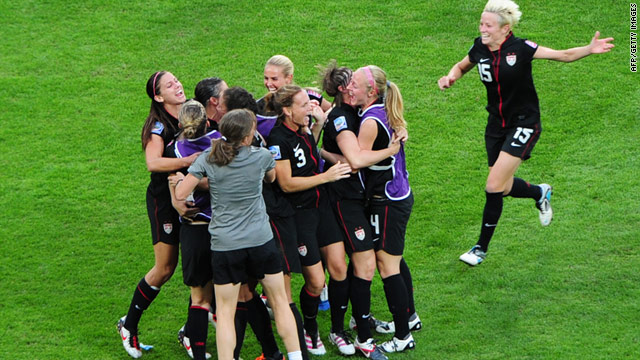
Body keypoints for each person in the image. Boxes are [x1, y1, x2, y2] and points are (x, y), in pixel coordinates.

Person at [437, 0, 614, 266]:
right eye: (481, 23)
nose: (482, 28)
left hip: (524, 124)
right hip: (496, 126)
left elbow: (563, 55)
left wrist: (589, 49)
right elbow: (462, 66)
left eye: (488, 25)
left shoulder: (521, 48)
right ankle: (539, 192)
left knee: (493, 186)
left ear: (505, 29)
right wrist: (450, 77)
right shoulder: (479, 47)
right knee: (504, 187)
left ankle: (480, 249)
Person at [174, 109, 303, 360]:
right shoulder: (263, 156)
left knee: (225, 312)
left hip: (226, 246)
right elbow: (271, 177)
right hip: (261, 241)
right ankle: (296, 357)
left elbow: (181, 194)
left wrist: (179, 180)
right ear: (246, 137)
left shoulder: (207, 159)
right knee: (279, 301)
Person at [320, 61, 407, 358]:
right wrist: (391, 150)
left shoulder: (359, 109)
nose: (352, 87)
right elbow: (355, 160)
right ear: (342, 90)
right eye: (349, 83)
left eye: (356, 83)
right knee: (361, 266)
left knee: (363, 267)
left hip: (359, 198)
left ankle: (360, 322)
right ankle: (360, 338)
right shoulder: (343, 118)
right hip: (345, 199)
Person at [266, 85, 352, 356]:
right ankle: (311, 328)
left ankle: (337, 330)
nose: (310, 108)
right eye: (304, 105)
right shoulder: (278, 140)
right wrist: (326, 177)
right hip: (299, 216)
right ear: (287, 110)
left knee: (339, 268)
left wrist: (317, 125)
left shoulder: (303, 129)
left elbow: (308, 155)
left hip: (321, 208)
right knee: (316, 281)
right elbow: (287, 183)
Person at [117, 71, 198, 359]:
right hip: (164, 201)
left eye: (177, 80)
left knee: (201, 264)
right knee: (165, 268)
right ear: (158, 97)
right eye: (169, 85)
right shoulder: (157, 126)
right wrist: (187, 160)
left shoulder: (192, 109)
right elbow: (153, 162)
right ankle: (129, 325)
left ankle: (192, 331)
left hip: (193, 195)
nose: (177, 85)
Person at [216, 86, 290, 360]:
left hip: (241, 231)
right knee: (254, 294)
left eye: (222, 106)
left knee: (239, 299)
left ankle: (259, 353)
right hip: (259, 229)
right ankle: (276, 353)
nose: (218, 109)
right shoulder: (257, 140)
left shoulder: (228, 151)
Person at [347, 65, 416, 354]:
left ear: (371, 91)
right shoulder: (382, 111)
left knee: (388, 266)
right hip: (396, 194)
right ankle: (410, 318)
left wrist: (324, 153)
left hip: (386, 201)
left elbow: (357, 160)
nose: (348, 87)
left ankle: (402, 336)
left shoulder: (370, 122)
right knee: (394, 260)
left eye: (353, 83)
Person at [168, 100, 221, 360]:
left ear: (180, 125)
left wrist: (178, 197)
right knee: (227, 297)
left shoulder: (175, 150)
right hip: (224, 229)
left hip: (195, 230)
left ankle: (199, 355)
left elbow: (173, 184)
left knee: (199, 300)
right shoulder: (222, 140)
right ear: (208, 122)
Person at [257, 55, 330, 142]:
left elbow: (334, 109)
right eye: (266, 78)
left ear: (288, 78)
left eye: (274, 79)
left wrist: (320, 122)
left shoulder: (307, 97)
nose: (268, 83)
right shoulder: (258, 107)